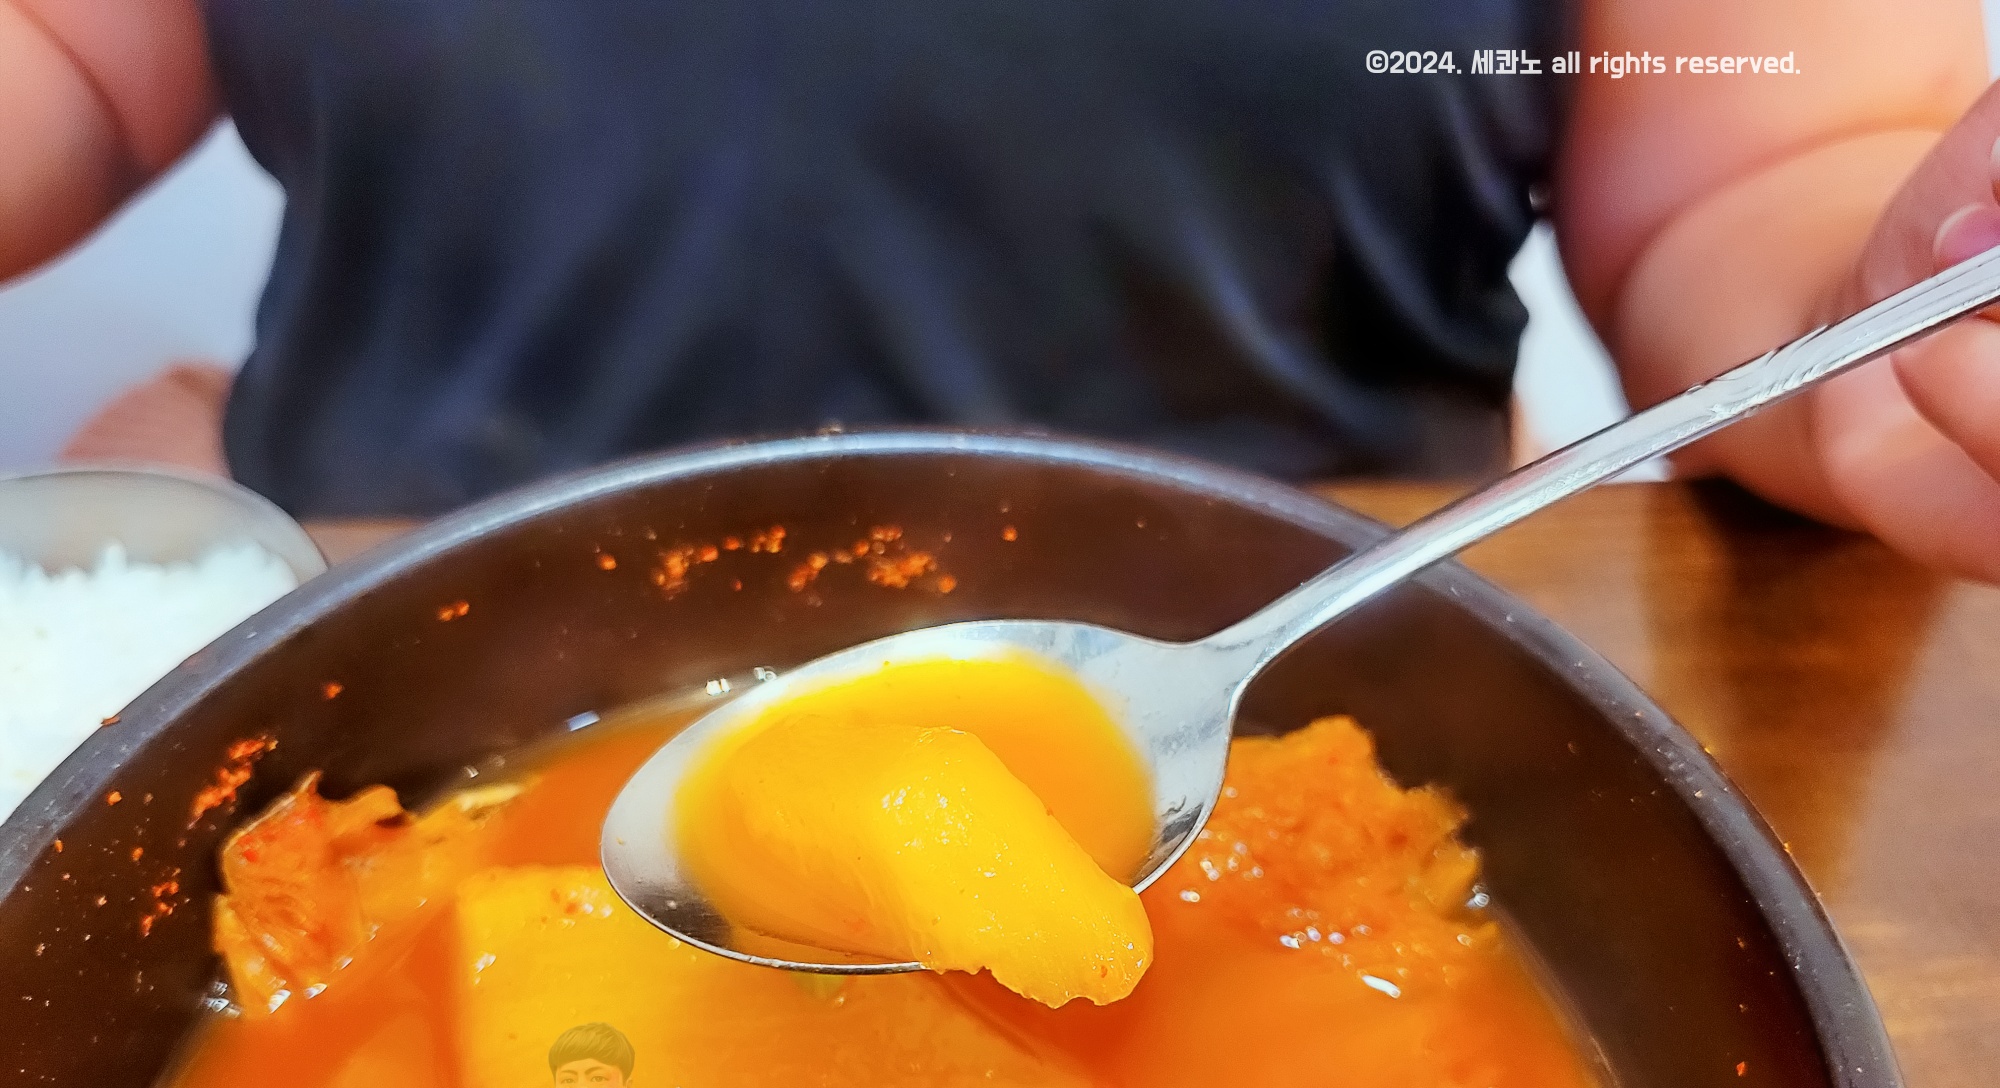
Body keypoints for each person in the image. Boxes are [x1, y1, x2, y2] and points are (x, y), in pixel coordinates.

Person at [4, 1, 1999, 578]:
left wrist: (1893, 313)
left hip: (1289, 688)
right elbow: (72, 57)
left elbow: (1762, 154)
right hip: (390, 681)